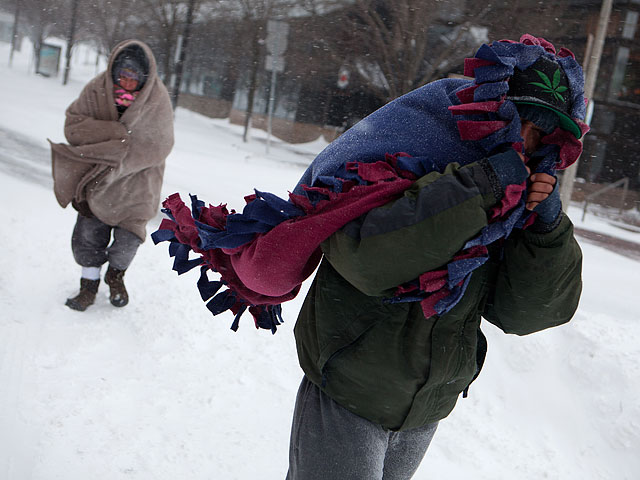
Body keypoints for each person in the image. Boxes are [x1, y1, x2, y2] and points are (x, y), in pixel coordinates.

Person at [152, 35, 587, 479]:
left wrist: (547, 230)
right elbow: (365, 259)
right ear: (492, 109)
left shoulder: (519, 202)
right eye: (522, 123)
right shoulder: (415, 152)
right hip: (349, 385)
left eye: (542, 135)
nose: (529, 146)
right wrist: (478, 187)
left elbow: (527, 314)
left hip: (426, 406)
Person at [50, 39, 174, 311]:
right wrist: (115, 139)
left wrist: (119, 157)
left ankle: (115, 276)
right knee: (88, 236)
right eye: (123, 75)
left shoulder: (157, 99)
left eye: (134, 76)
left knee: (128, 242)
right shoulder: (96, 90)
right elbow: (74, 125)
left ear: (145, 76)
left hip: (137, 185)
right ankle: (88, 288)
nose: (127, 81)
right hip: (96, 180)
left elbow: (160, 145)